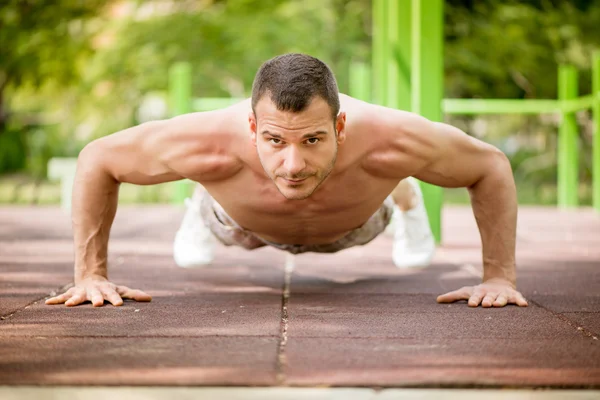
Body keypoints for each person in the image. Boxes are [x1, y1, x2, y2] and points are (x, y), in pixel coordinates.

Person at [45, 53, 528, 309]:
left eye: (314, 140)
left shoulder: (391, 139)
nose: (294, 163)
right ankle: (201, 198)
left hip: (355, 226)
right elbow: (97, 159)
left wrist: (499, 278)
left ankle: (404, 192)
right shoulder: (206, 140)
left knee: (390, 170)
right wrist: (90, 274)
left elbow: (489, 167)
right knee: (213, 190)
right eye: (276, 141)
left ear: (340, 126)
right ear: (253, 128)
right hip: (239, 222)